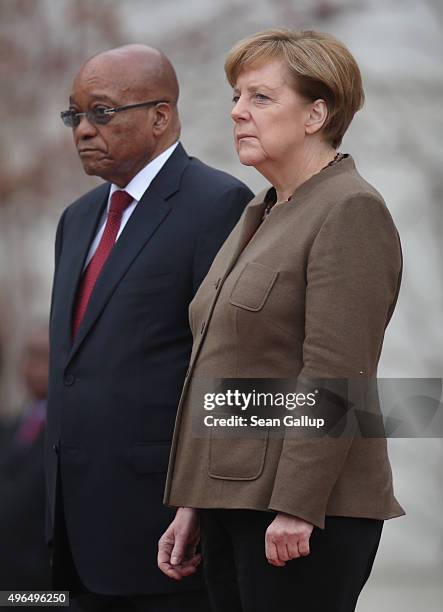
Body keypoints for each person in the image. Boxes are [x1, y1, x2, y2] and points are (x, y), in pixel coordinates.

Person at [159, 29, 405, 611]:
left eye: (261, 98)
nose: (237, 112)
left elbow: (335, 373)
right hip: (235, 503)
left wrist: (297, 505)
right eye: (236, 98)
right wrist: (196, 500)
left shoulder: (350, 209)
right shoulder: (261, 211)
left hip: (303, 515)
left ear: (317, 113)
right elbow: (229, 372)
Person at [46, 44, 253, 611]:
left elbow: (227, 364)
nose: (83, 130)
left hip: (164, 531)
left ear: (161, 116)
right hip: (72, 531)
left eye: (103, 112)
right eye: (75, 115)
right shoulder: (78, 219)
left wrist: (200, 503)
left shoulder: (217, 203)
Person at [0, 324, 50, 591]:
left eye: (45, 357)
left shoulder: (69, 436)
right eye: (31, 356)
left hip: (41, 587)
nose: (35, 368)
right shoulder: (9, 426)